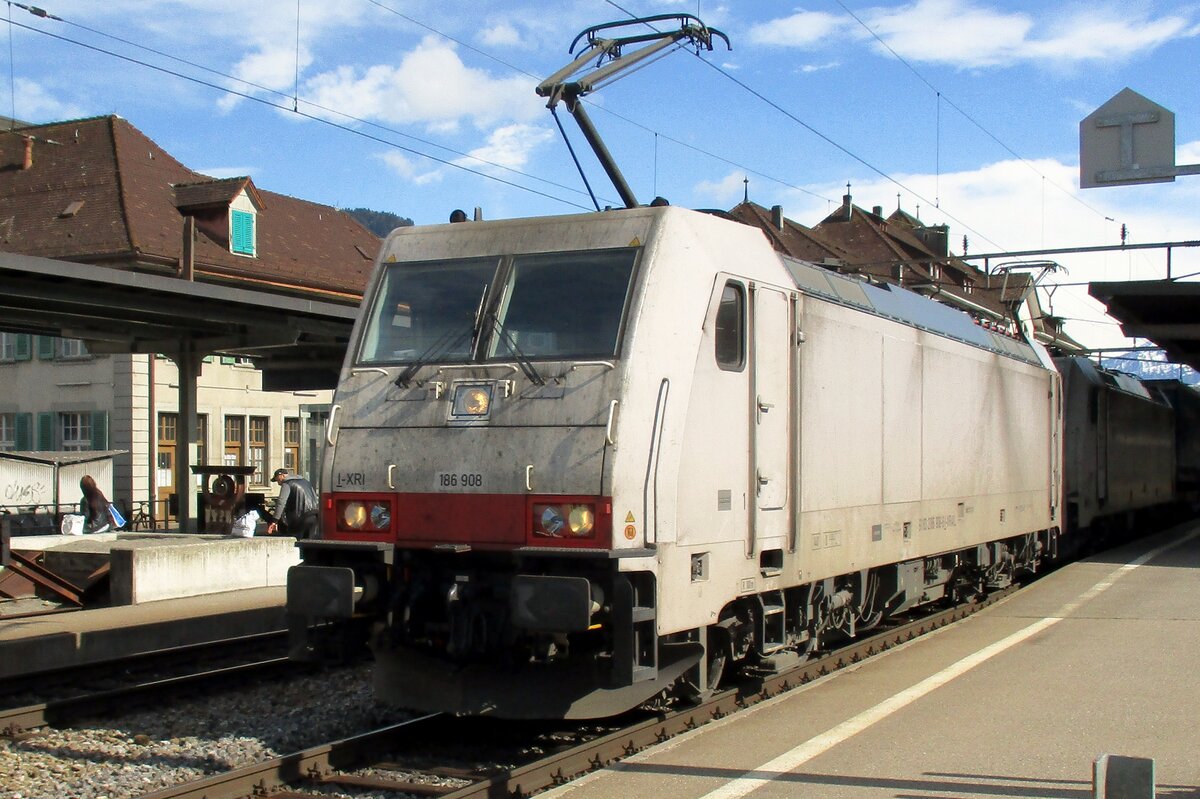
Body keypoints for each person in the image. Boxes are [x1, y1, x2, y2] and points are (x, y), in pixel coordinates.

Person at [266, 468, 320, 539]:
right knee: (309, 541)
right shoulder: (306, 481)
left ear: (282, 476)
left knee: (296, 541)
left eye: (277, 480)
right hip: (314, 515)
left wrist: (275, 520)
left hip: (300, 518)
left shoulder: (287, 484)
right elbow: (315, 497)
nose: (278, 483)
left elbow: (281, 502)